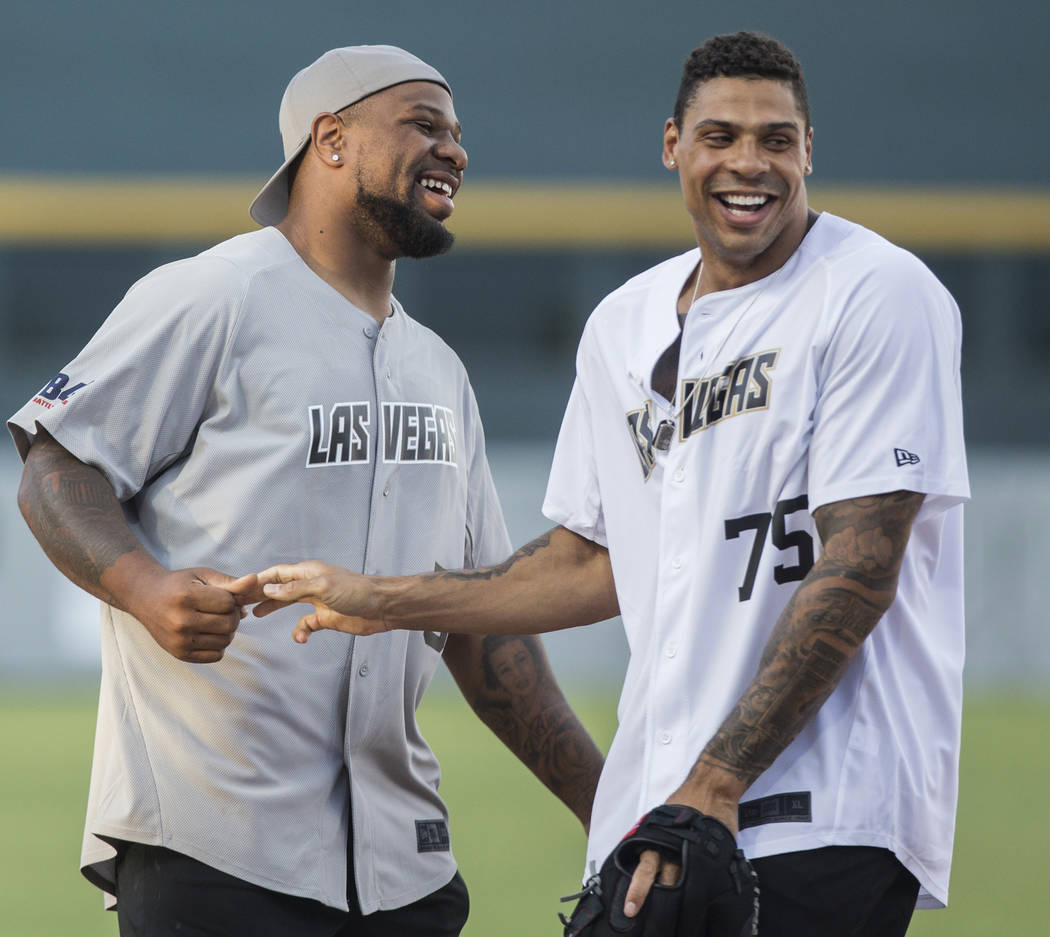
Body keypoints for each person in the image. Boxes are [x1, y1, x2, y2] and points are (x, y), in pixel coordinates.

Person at [247, 32, 969, 937]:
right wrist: (385, 598)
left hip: (825, 812)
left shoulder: (876, 292)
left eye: (777, 140)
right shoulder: (623, 325)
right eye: (720, 136)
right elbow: (589, 565)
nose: (749, 162)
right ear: (674, 145)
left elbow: (860, 564)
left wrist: (714, 782)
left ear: (809, 152)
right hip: (660, 819)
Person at [9, 44, 604, 937]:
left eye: (457, 132)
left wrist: (614, 811)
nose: (456, 150)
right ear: (331, 139)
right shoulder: (212, 296)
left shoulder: (438, 370)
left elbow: (486, 634)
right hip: (215, 851)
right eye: (424, 124)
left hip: (403, 869)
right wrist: (142, 585)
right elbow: (56, 466)